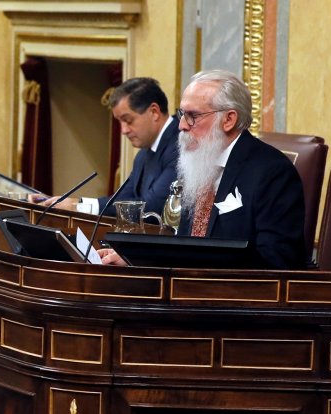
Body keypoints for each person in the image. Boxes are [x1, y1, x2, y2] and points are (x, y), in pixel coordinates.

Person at [98, 69, 305, 269]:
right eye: (182, 114)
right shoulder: (197, 163)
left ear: (229, 119)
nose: (181, 126)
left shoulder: (272, 173)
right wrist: (135, 259)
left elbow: (277, 263)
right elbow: (186, 249)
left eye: (192, 116)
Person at [41, 77, 180, 217]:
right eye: (120, 122)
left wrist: (80, 207)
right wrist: (75, 203)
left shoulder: (179, 146)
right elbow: (121, 200)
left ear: (154, 112)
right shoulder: (142, 155)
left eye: (128, 120)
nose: (123, 130)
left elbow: (152, 207)